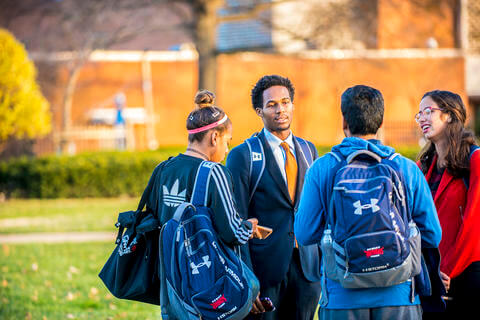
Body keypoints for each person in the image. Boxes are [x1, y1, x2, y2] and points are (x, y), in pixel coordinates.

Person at [294, 85, 442, 320]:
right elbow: (433, 235)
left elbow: (304, 234)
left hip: (341, 296)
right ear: (381, 121)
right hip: (399, 295)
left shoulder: (322, 168)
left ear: (344, 121)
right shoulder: (406, 169)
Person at [144, 90, 260, 317]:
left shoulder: (163, 169)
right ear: (214, 137)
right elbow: (232, 233)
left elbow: (156, 221)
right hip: (207, 284)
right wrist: (250, 226)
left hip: (172, 284)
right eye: (227, 141)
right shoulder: (214, 172)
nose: (227, 149)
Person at [226, 75, 322, 320]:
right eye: (272, 105)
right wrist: (248, 280)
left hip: (306, 269)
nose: (280, 109)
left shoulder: (309, 149)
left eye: (285, 102)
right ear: (259, 111)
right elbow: (236, 221)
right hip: (264, 270)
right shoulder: (243, 155)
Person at [416, 90, 480, 318]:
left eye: (428, 111)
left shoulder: (475, 160)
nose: (422, 118)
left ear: (451, 116)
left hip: (464, 277)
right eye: (419, 114)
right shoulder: (421, 167)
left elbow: (474, 227)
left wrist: (447, 270)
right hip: (431, 278)